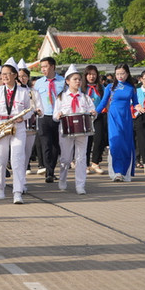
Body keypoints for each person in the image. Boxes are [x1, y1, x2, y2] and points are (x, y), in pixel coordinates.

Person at [0, 64, 34, 203]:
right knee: (0, 157)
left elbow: (30, 109)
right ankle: (0, 188)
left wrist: (23, 117)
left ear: (14, 75)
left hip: (18, 127)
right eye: (2, 74)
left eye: (7, 73)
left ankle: (17, 192)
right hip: (1, 126)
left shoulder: (24, 92)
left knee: (18, 158)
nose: (4, 76)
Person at [53, 65, 97, 194]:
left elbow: (92, 111)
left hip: (82, 131)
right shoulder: (61, 98)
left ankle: (80, 185)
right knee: (66, 158)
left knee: (81, 157)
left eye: (79, 79)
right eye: (75, 79)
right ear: (67, 81)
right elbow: (55, 116)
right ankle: (62, 178)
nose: (78, 82)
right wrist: (58, 116)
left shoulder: (85, 97)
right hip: (66, 131)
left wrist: (94, 113)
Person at [96, 64, 138, 182]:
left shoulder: (131, 88)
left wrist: (138, 107)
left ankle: (125, 171)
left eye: (123, 73)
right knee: (115, 142)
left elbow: (135, 103)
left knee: (126, 143)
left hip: (126, 118)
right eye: (118, 73)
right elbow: (103, 102)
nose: (120, 76)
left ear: (127, 74)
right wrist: (95, 112)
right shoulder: (110, 87)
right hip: (114, 117)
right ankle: (117, 171)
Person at [33, 57, 64, 184]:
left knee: (56, 145)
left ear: (52, 66)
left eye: (45, 66)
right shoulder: (39, 83)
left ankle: (52, 167)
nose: (43, 69)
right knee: (45, 144)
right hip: (44, 116)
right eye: (41, 67)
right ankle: (49, 172)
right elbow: (35, 100)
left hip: (58, 116)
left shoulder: (63, 82)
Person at [83, 65, 108, 174]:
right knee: (87, 141)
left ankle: (95, 162)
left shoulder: (101, 88)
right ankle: (85, 164)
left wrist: (97, 111)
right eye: (89, 74)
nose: (91, 76)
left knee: (99, 139)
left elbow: (104, 101)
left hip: (99, 116)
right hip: (86, 116)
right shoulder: (82, 88)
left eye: (93, 74)